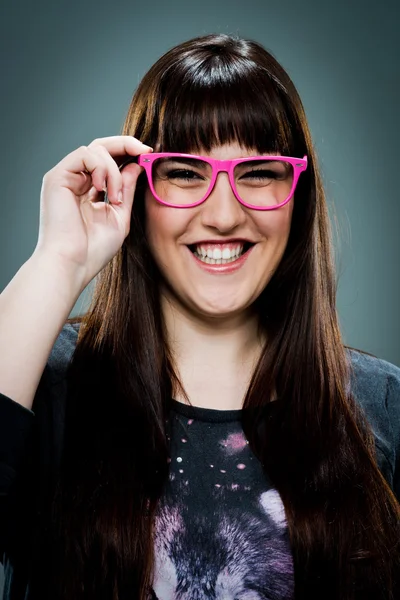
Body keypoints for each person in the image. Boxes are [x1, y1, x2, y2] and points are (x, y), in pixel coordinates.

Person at [0, 33, 398, 600]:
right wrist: (56, 261)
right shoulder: (44, 380)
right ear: (137, 188)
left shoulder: (383, 409)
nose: (223, 213)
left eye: (258, 172)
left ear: (297, 196)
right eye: (185, 173)